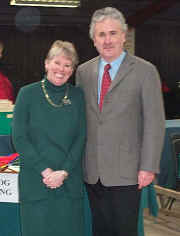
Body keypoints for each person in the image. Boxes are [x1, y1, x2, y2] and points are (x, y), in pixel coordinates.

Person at [76, 7, 165, 236]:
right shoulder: (83, 72)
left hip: (128, 172)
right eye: (101, 35)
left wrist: (148, 166)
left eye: (113, 33)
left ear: (124, 36)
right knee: (100, 230)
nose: (107, 40)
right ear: (93, 40)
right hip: (92, 171)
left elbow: (154, 122)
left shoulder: (146, 71)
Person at [12, 40, 86, 236]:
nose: (61, 69)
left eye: (67, 65)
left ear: (72, 69)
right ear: (46, 63)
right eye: (56, 62)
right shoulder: (26, 94)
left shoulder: (78, 96)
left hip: (69, 185)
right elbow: (19, 138)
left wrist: (64, 172)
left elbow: (81, 138)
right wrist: (45, 171)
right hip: (36, 184)